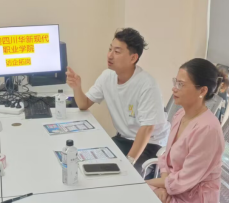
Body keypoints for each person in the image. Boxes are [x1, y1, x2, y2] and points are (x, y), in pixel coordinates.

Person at [66, 28, 170, 176]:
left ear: (133, 58)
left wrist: (129, 161)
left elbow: (147, 129)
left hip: (150, 145)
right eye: (110, 49)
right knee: (89, 163)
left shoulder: (147, 85)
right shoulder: (107, 76)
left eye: (117, 51)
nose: (110, 55)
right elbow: (84, 104)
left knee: (121, 175)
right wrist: (77, 87)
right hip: (123, 139)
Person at [147, 58, 229, 203]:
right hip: (174, 188)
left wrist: (152, 184)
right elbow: (166, 158)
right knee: (136, 195)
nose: (174, 88)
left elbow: (184, 180)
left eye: (181, 84)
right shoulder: (180, 115)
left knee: (139, 196)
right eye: (175, 82)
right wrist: (163, 185)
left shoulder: (208, 129)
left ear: (202, 90)